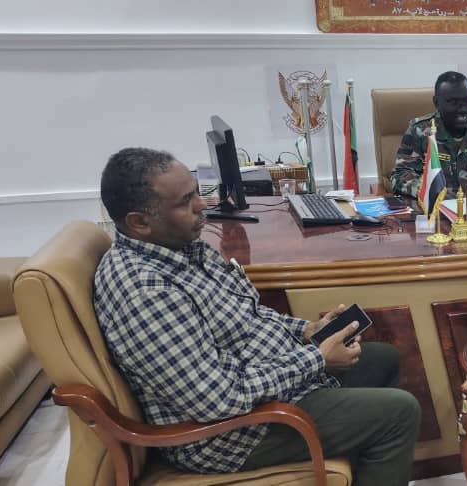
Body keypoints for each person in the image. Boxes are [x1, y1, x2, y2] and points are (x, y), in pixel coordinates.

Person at [94, 148, 420, 485]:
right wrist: (317, 358)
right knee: (399, 413)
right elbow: (217, 399)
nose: (202, 206)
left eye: (196, 193)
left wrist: (306, 331)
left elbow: (246, 314)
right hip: (231, 435)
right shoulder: (146, 291)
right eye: (184, 202)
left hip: (263, 384)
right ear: (140, 222)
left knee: (384, 359)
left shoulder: (182, 249)